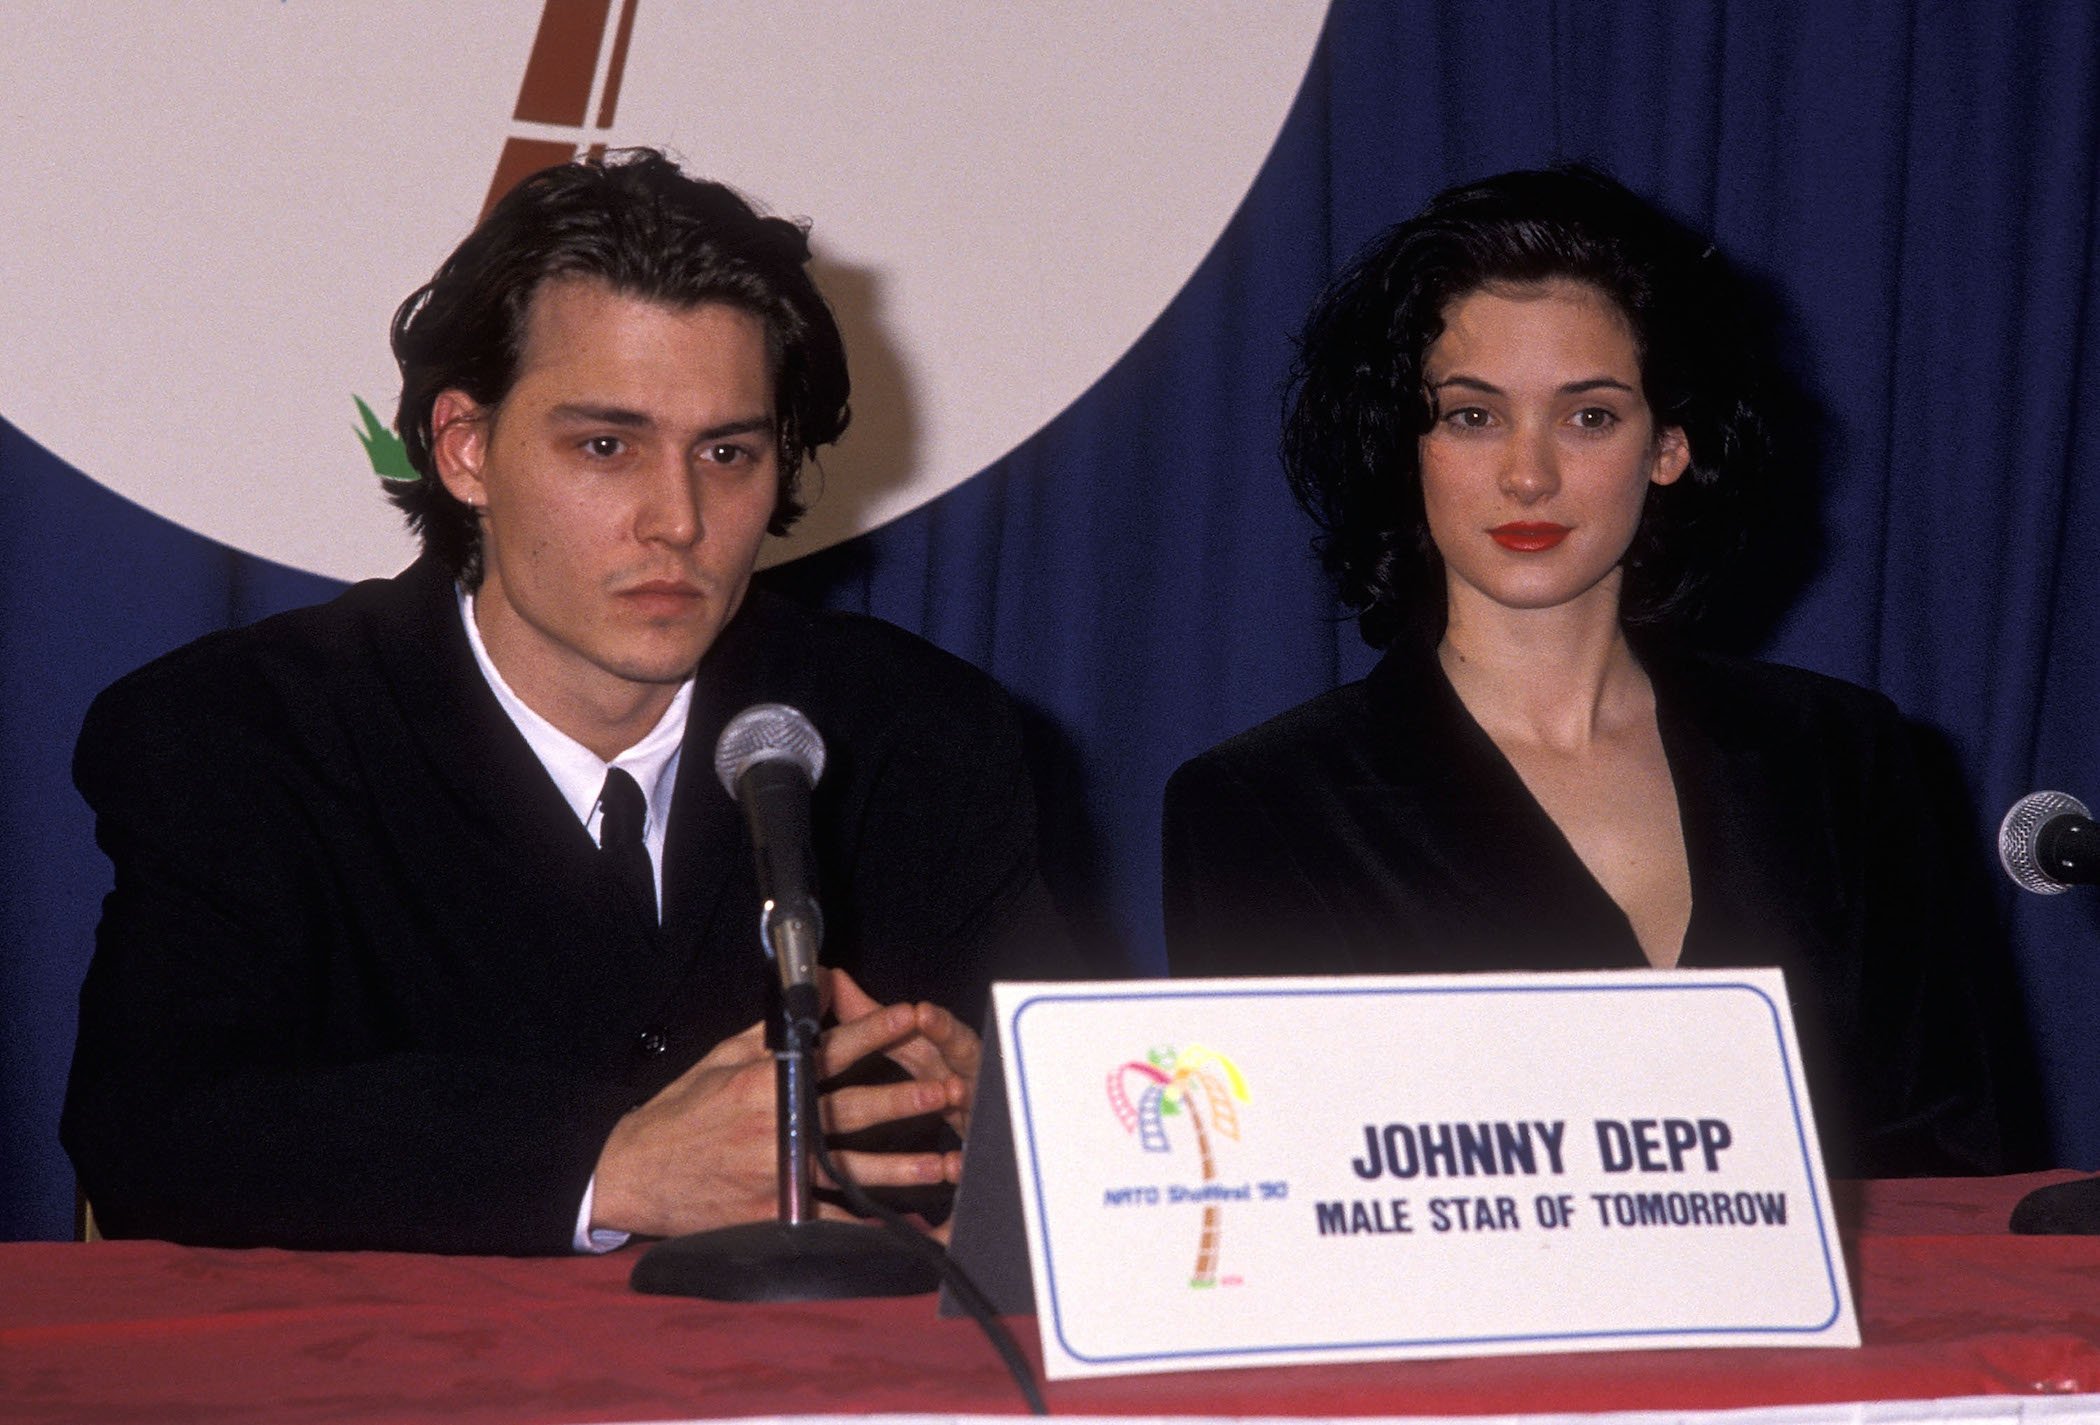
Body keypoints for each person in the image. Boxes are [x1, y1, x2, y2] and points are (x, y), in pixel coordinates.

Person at [63, 149, 1059, 1254]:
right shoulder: (243, 735)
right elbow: (157, 1135)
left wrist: (1023, 1128)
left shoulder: (913, 733)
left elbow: (1087, 1124)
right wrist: (609, 1166)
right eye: (606, 445)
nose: (676, 519)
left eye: (727, 452)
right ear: (466, 449)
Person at [1162, 166, 2016, 1177]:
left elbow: (1962, 1166)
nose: (1530, 474)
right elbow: (1287, 1200)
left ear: (1670, 447)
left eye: (1590, 416)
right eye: (1473, 417)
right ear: (1406, 446)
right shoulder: (1264, 806)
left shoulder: (1842, 759)